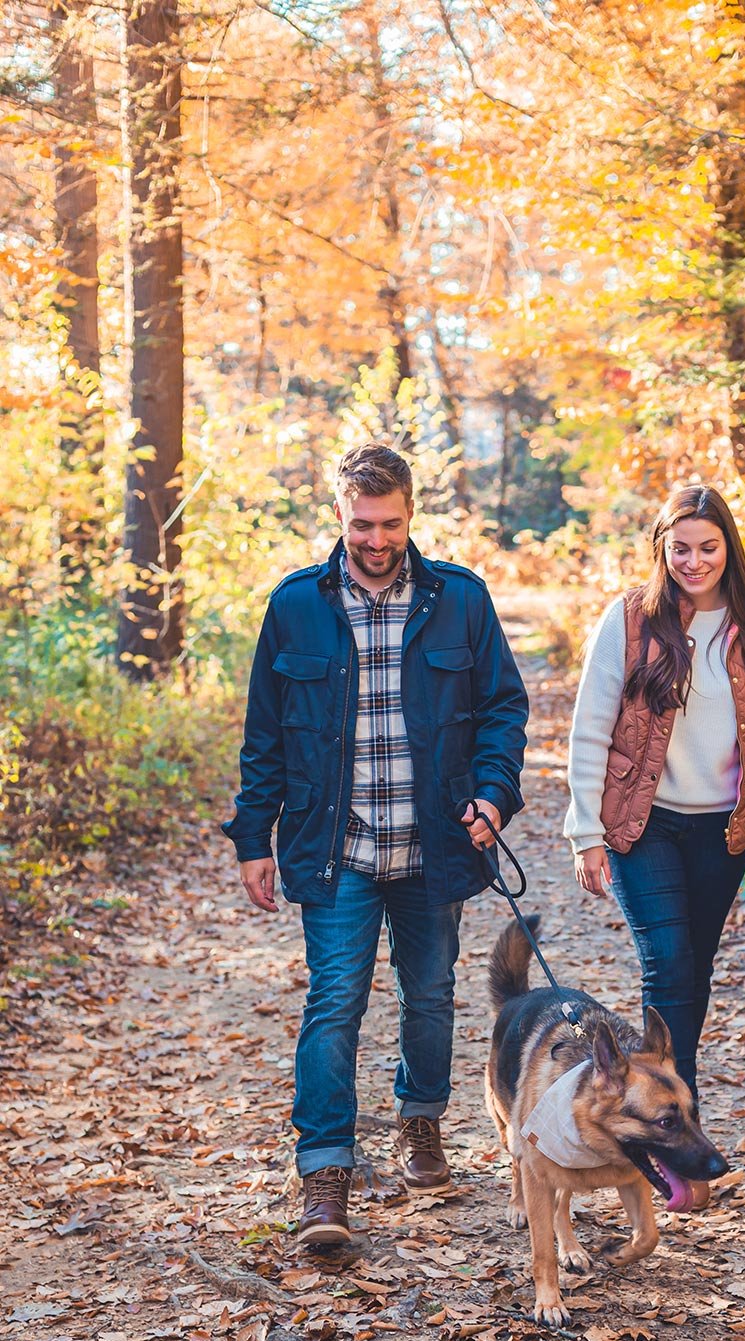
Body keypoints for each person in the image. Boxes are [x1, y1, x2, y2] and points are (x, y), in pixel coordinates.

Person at [225, 442, 530, 1248]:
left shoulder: (460, 599)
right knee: (334, 1003)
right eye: (362, 524)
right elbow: (265, 737)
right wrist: (253, 835)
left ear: (410, 515)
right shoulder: (296, 605)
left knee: (430, 995)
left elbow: (503, 709)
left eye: (391, 523)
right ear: (338, 513)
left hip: (434, 845)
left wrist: (494, 795)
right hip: (337, 848)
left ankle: (421, 1120)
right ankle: (325, 1175)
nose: (376, 540)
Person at [563, 484, 745, 1208]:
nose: (694, 560)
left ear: (727, 546)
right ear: (663, 551)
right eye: (681, 548)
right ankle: (677, 1156)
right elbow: (590, 726)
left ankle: (672, 1119)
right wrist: (586, 831)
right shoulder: (632, 620)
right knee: (667, 967)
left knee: (692, 974)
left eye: (707, 546)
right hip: (643, 823)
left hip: (723, 829)